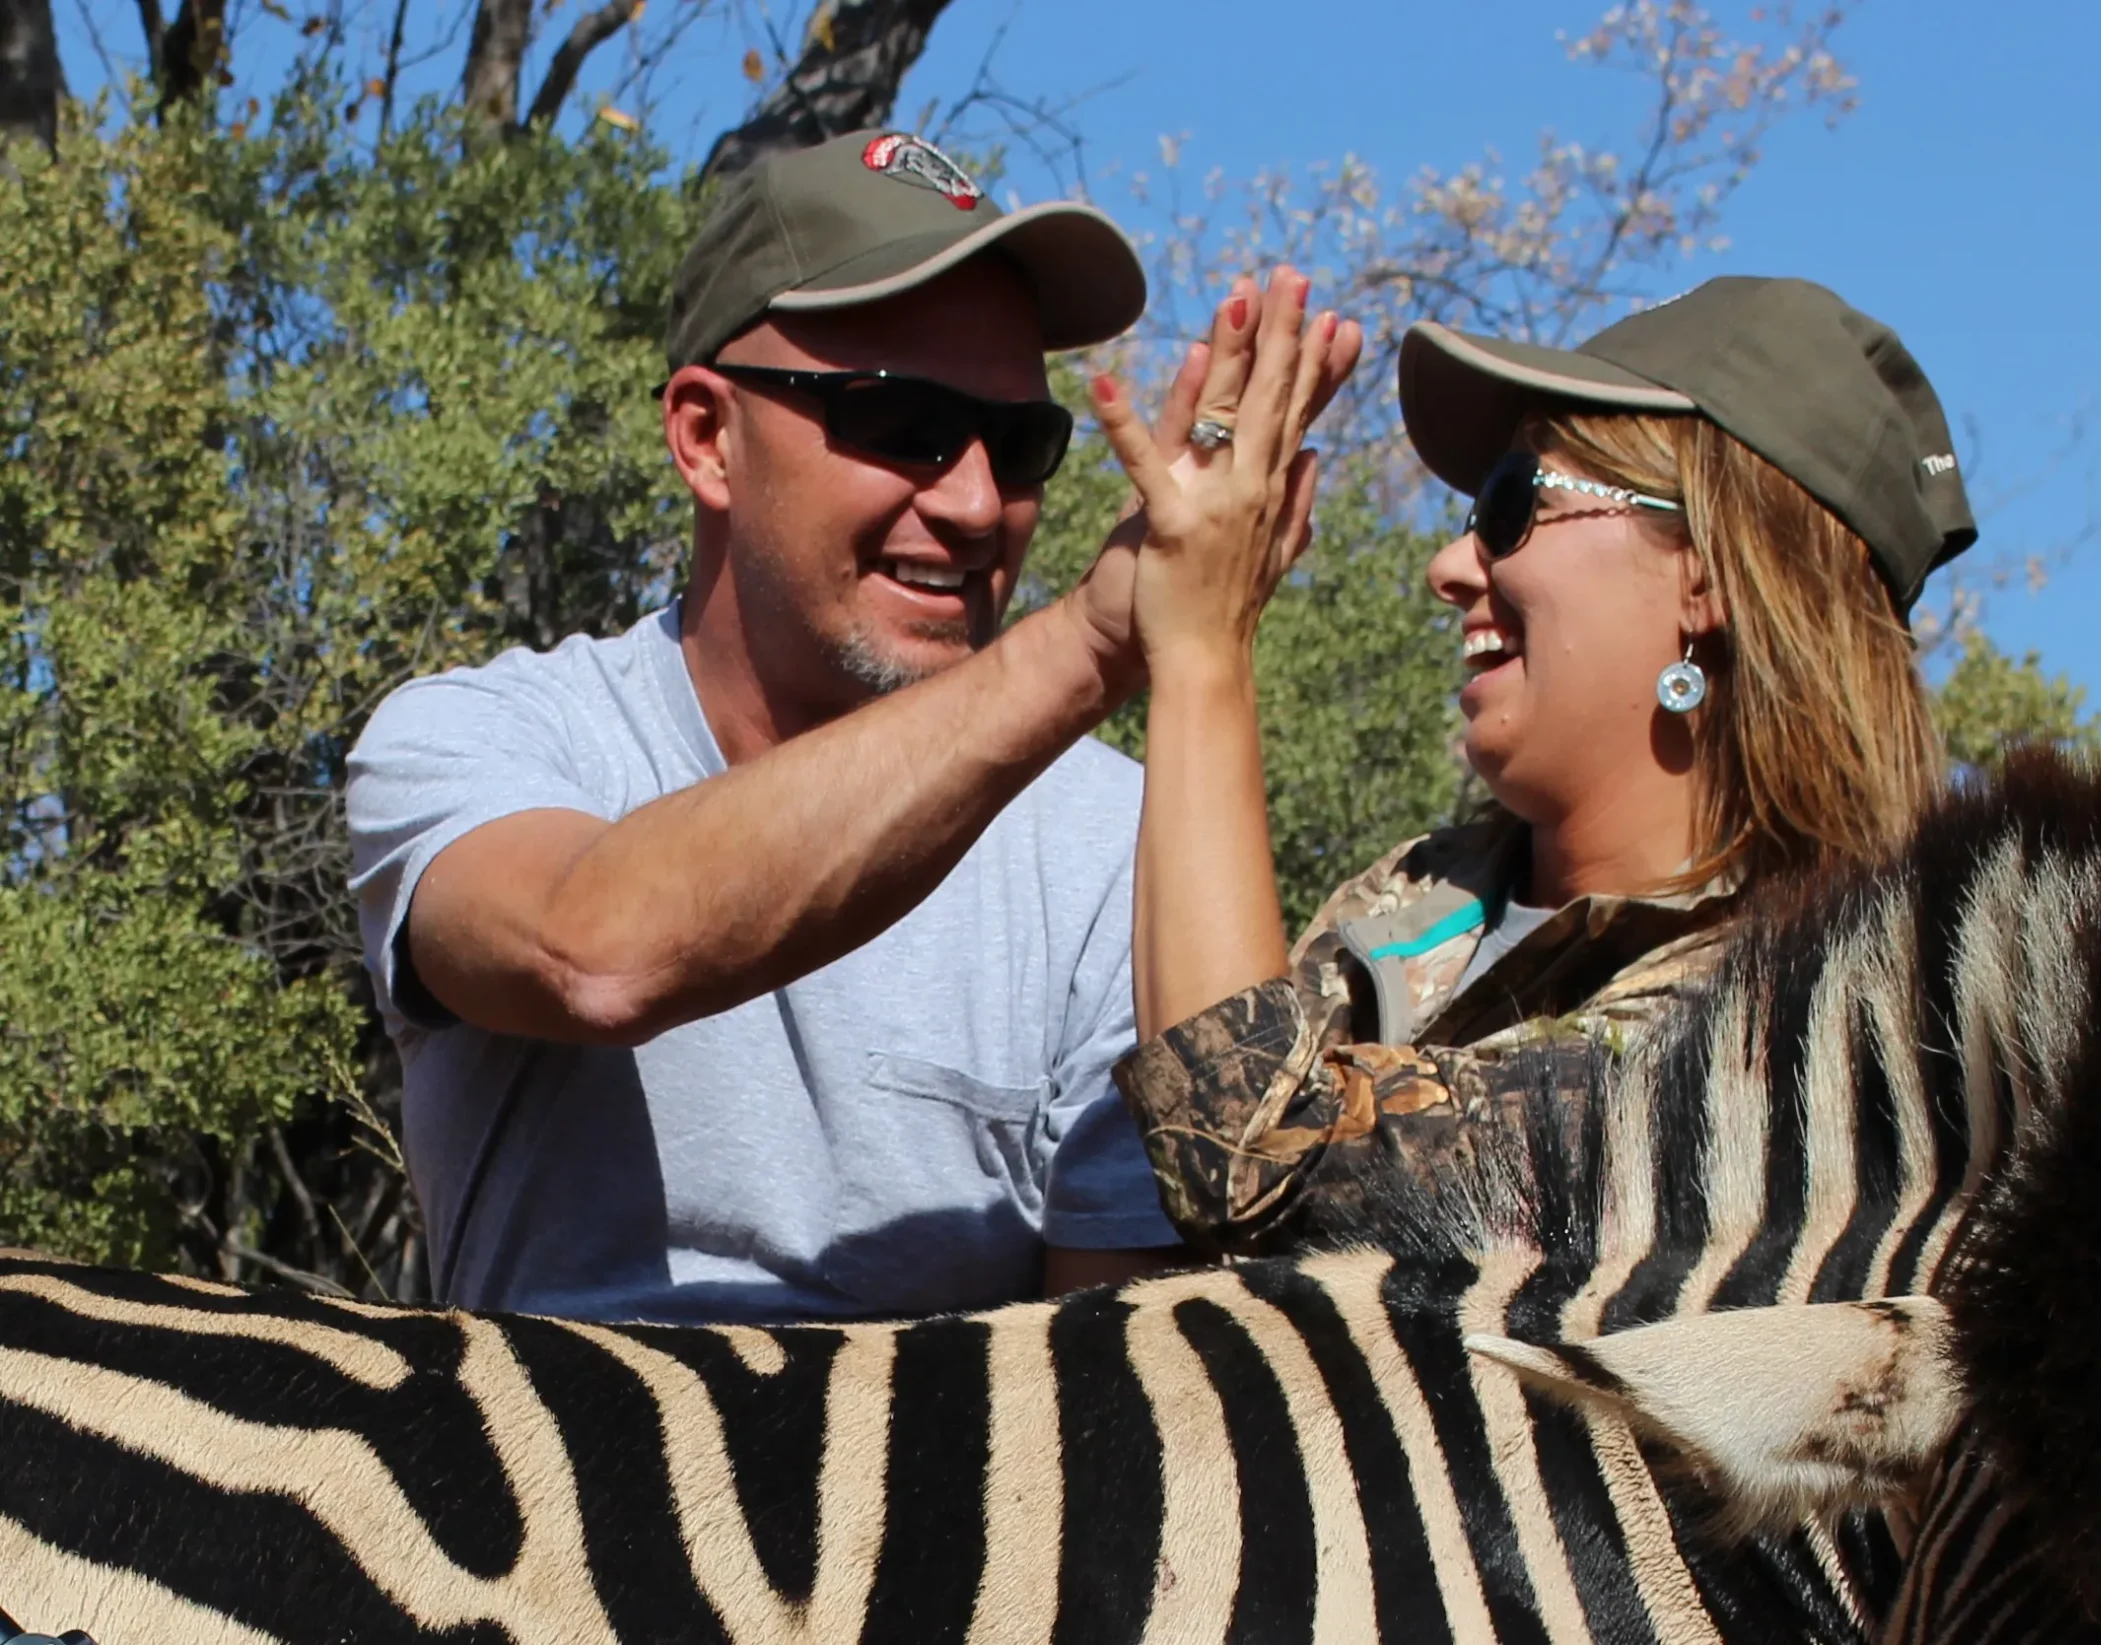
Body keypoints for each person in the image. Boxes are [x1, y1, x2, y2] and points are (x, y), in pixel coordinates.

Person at [344, 130, 1355, 1322]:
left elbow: (1113, 1379)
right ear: (706, 438)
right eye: (900, 423)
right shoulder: (483, 735)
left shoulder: (1108, 848)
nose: (977, 503)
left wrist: (1191, 656)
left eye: (1020, 445)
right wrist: (1092, 641)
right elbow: (592, 953)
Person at [1094, 274, 1977, 1255]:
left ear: (1711, 573)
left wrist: (1203, 647)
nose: (1449, 567)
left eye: (1511, 506)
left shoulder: (1793, 1016)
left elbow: (1262, 1168)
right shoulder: (1414, 897)